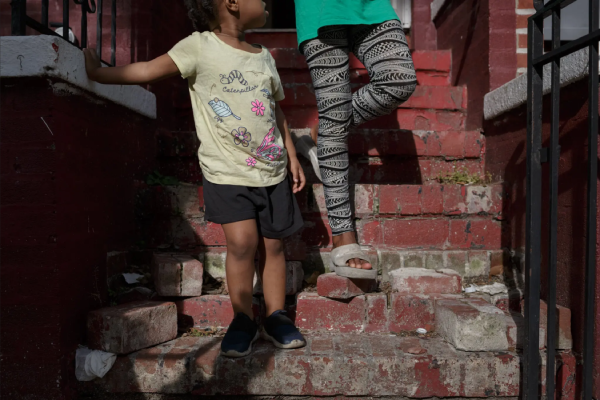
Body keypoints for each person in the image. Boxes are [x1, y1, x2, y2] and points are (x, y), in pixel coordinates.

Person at [83, 0, 306, 358]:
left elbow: (276, 108)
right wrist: (98, 73)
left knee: (274, 245)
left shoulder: (263, 56)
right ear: (231, 3)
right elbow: (146, 70)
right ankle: (243, 319)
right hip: (226, 171)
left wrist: (293, 155)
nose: (267, 2)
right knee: (243, 244)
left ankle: (276, 317)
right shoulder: (198, 47)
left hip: (273, 169)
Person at [292, 0, 417, 279]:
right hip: (320, 7)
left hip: (371, 4)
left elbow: (398, 82)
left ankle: (322, 134)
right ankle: (343, 236)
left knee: (398, 80)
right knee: (334, 111)